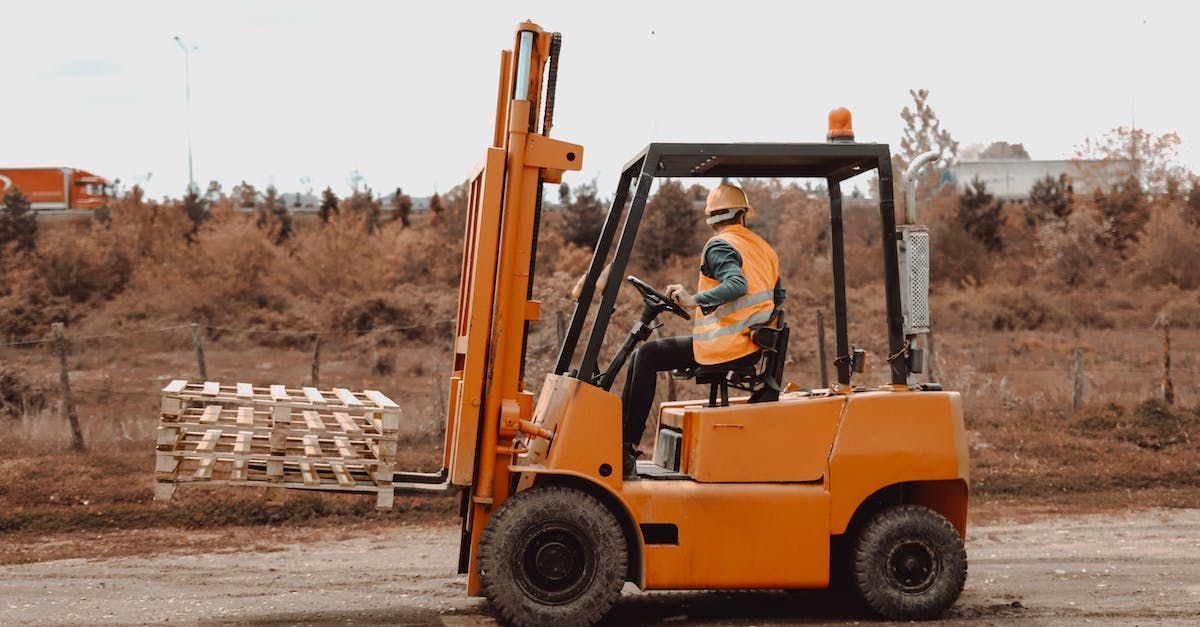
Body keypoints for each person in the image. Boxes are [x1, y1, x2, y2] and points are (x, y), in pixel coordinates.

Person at [621, 183, 783, 479]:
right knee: (647, 356)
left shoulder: (720, 245)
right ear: (743, 215)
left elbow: (737, 285)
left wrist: (694, 300)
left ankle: (624, 448)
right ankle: (623, 443)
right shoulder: (764, 249)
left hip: (725, 346)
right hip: (750, 344)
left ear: (711, 219)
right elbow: (778, 299)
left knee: (646, 355)